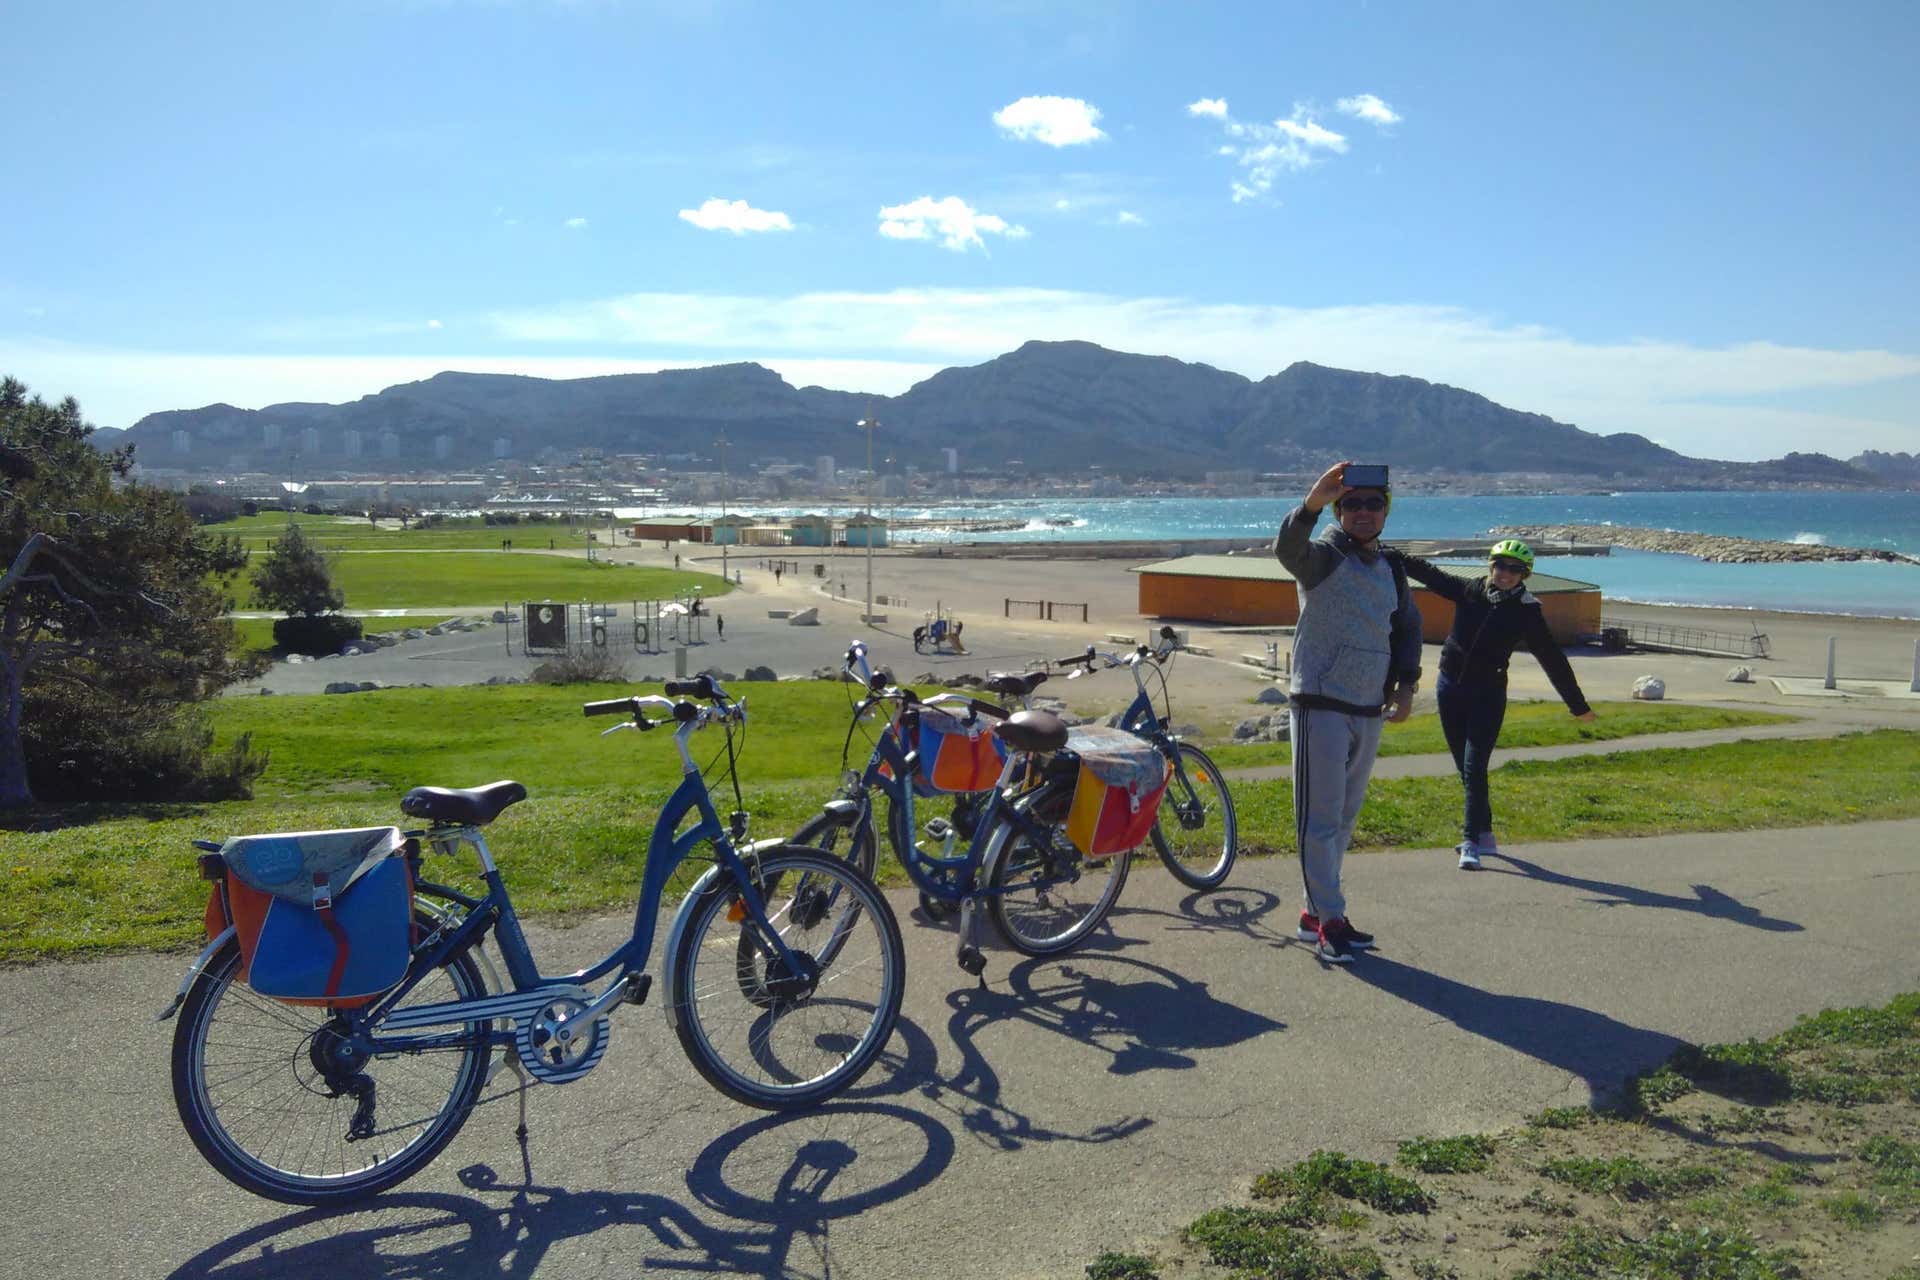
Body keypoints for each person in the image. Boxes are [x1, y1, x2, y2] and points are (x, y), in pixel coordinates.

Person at [1274, 460, 1422, 964]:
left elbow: (1405, 629)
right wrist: (1310, 505)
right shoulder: (1323, 557)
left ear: (1386, 511)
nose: (1363, 512)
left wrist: (1405, 687)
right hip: (1320, 702)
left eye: (1373, 503)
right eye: (1352, 504)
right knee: (1318, 819)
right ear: (1339, 510)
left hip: (1367, 706)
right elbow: (1287, 550)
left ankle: (1316, 913)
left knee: (1343, 819)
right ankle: (1330, 919)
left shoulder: (1391, 567)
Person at [1399, 538, 1595, 869]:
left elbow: (1552, 658)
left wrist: (1577, 705)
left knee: (1475, 767)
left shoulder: (1526, 612)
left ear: (1525, 575)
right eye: (1501, 566)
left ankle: (1471, 841)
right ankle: (1486, 832)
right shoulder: (1469, 590)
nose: (1506, 574)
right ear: (1491, 565)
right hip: (1449, 687)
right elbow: (1429, 573)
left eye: (1515, 569)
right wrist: (1387, 552)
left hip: (1487, 694)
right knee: (1465, 767)